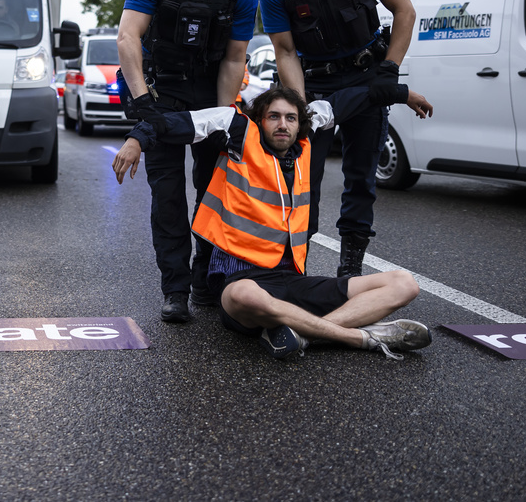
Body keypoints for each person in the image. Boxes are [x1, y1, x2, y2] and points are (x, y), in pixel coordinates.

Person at [113, 83, 435, 360]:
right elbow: (180, 122)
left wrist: (403, 94)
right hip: (241, 282)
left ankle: (306, 335)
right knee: (247, 297)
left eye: (291, 118)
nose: (283, 124)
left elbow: (359, 96)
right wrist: (137, 138)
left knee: (404, 284)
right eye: (274, 117)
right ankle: (357, 337)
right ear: (260, 121)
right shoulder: (238, 133)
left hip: (291, 280)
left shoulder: (305, 142)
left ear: (300, 124)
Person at [116, 0, 259, 323]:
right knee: (168, 197)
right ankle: (175, 289)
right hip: (160, 93)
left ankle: (204, 280)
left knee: (211, 193)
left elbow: (235, 58)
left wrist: (222, 117)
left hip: (207, 96)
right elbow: (128, 37)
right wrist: (143, 103)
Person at [258, 0, 417, 277]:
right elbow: (285, 51)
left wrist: (389, 71)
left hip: (366, 80)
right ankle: (294, 270)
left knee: (361, 178)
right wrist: (299, 107)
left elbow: (404, 10)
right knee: (302, 182)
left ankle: (350, 271)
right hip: (314, 85)